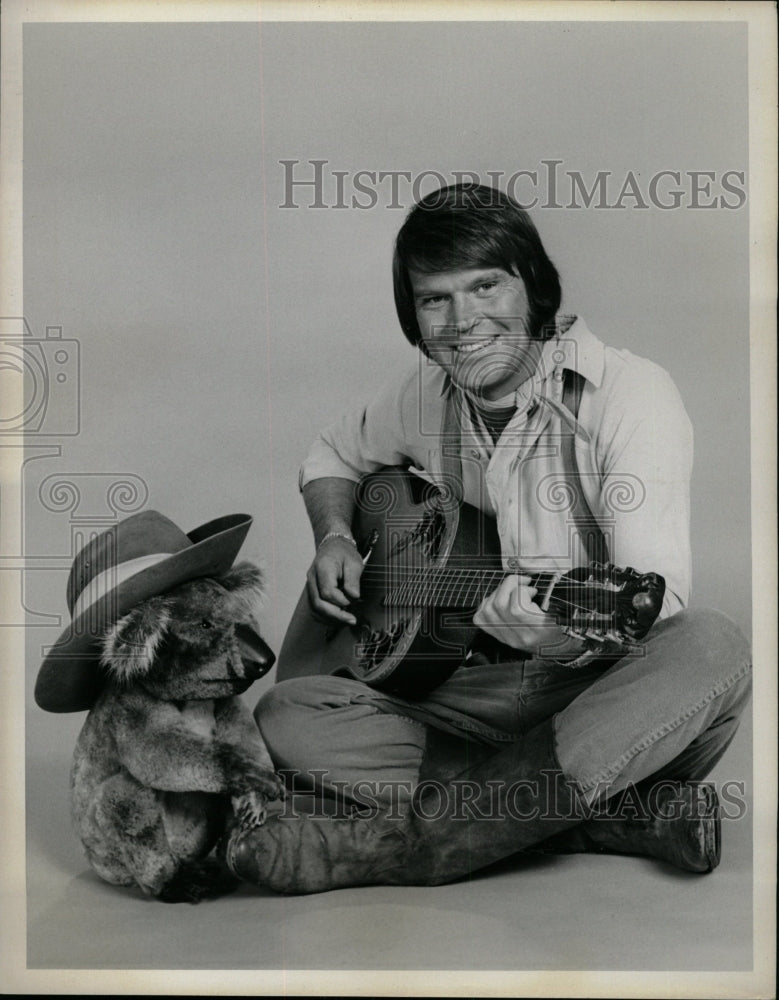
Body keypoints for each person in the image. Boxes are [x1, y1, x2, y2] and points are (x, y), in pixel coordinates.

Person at [222, 183, 751, 894]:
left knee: (710, 646)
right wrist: (336, 537)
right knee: (288, 712)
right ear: (412, 315)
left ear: (531, 285)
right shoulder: (420, 396)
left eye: (484, 286)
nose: (461, 320)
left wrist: (550, 630)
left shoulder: (630, 395)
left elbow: (653, 597)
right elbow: (331, 455)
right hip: (473, 693)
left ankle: (407, 848)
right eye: (433, 299)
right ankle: (604, 816)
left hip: (600, 697)